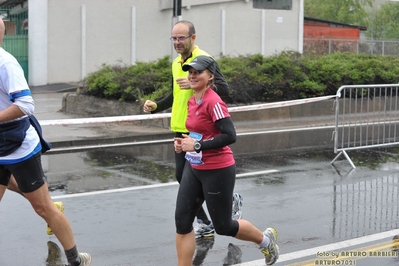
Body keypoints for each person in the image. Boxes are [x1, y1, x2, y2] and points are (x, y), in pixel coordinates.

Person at [0, 18, 91, 266]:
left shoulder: (6, 64)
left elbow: (26, 105)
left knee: (43, 208)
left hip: (19, 147)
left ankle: (76, 259)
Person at [173, 55, 279, 265]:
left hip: (217, 169)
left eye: (198, 72)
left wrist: (197, 145)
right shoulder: (193, 99)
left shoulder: (213, 101)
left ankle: (266, 242)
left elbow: (230, 135)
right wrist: (184, 142)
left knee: (223, 226)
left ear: (210, 75)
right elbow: (199, 132)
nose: (192, 76)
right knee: (182, 222)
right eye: (190, 72)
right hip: (194, 166)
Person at [143, 20, 243, 238]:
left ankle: (221, 205)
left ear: (193, 38)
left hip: (201, 132)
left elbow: (225, 89)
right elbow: (174, 94)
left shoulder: (205, 60)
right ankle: (209, 218)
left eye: (182, 38)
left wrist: (196, 84)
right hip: (181, 129)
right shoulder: (176, 63)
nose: (177, 42)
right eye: (174, 38)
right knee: (183, 177)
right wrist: (157, 106)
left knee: (194, 178)